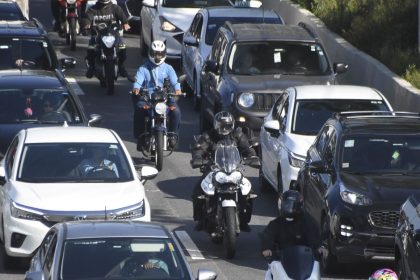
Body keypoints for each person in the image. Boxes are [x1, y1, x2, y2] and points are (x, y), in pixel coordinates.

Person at [190, 111, 257, 231]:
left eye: (227, 126)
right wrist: (198, 158)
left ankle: (244, 220)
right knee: (197, 191)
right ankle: (200, 219)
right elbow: (198, 149)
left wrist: (252, 157)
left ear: (232, 125)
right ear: (216, 125)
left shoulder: (238, 135)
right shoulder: (208, 136)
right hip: (214, 169)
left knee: (249, 193)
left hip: (234, 168)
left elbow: (247, 149)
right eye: (221, 126)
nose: (224, 129)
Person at [132, 40, 182, 150]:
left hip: (165, 97)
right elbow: (138, 81)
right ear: (150, 53)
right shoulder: (143, 68)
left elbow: (175, 81)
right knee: (139, 109)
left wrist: (178, 89)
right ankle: (140, 138)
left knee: (176, 111)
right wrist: (136, 88)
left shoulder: (169, 68)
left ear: (164, 54)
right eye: (155, 53)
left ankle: (173, 135)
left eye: (159, 54)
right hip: (147, 98)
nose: (157, 56)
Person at [261, 190, 317, 258]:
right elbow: (268, 237)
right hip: (281, 260)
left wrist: (320, 247)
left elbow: (314, 237)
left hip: (304, 260)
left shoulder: (307, 222)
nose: (290, 208)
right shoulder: (276, 224)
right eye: (287, 205)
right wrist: (267, 248)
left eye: (293, 206)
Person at [84, 0, 130, 79]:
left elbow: (123, 17)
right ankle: (91, 67)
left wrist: (125, 24)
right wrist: (87, 24)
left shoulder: (115, 8)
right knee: (91, 47)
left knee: (122, 47)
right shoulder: (93, 9)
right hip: (98, 35)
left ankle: (121, 66)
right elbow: (87, 18)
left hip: (114, 35)